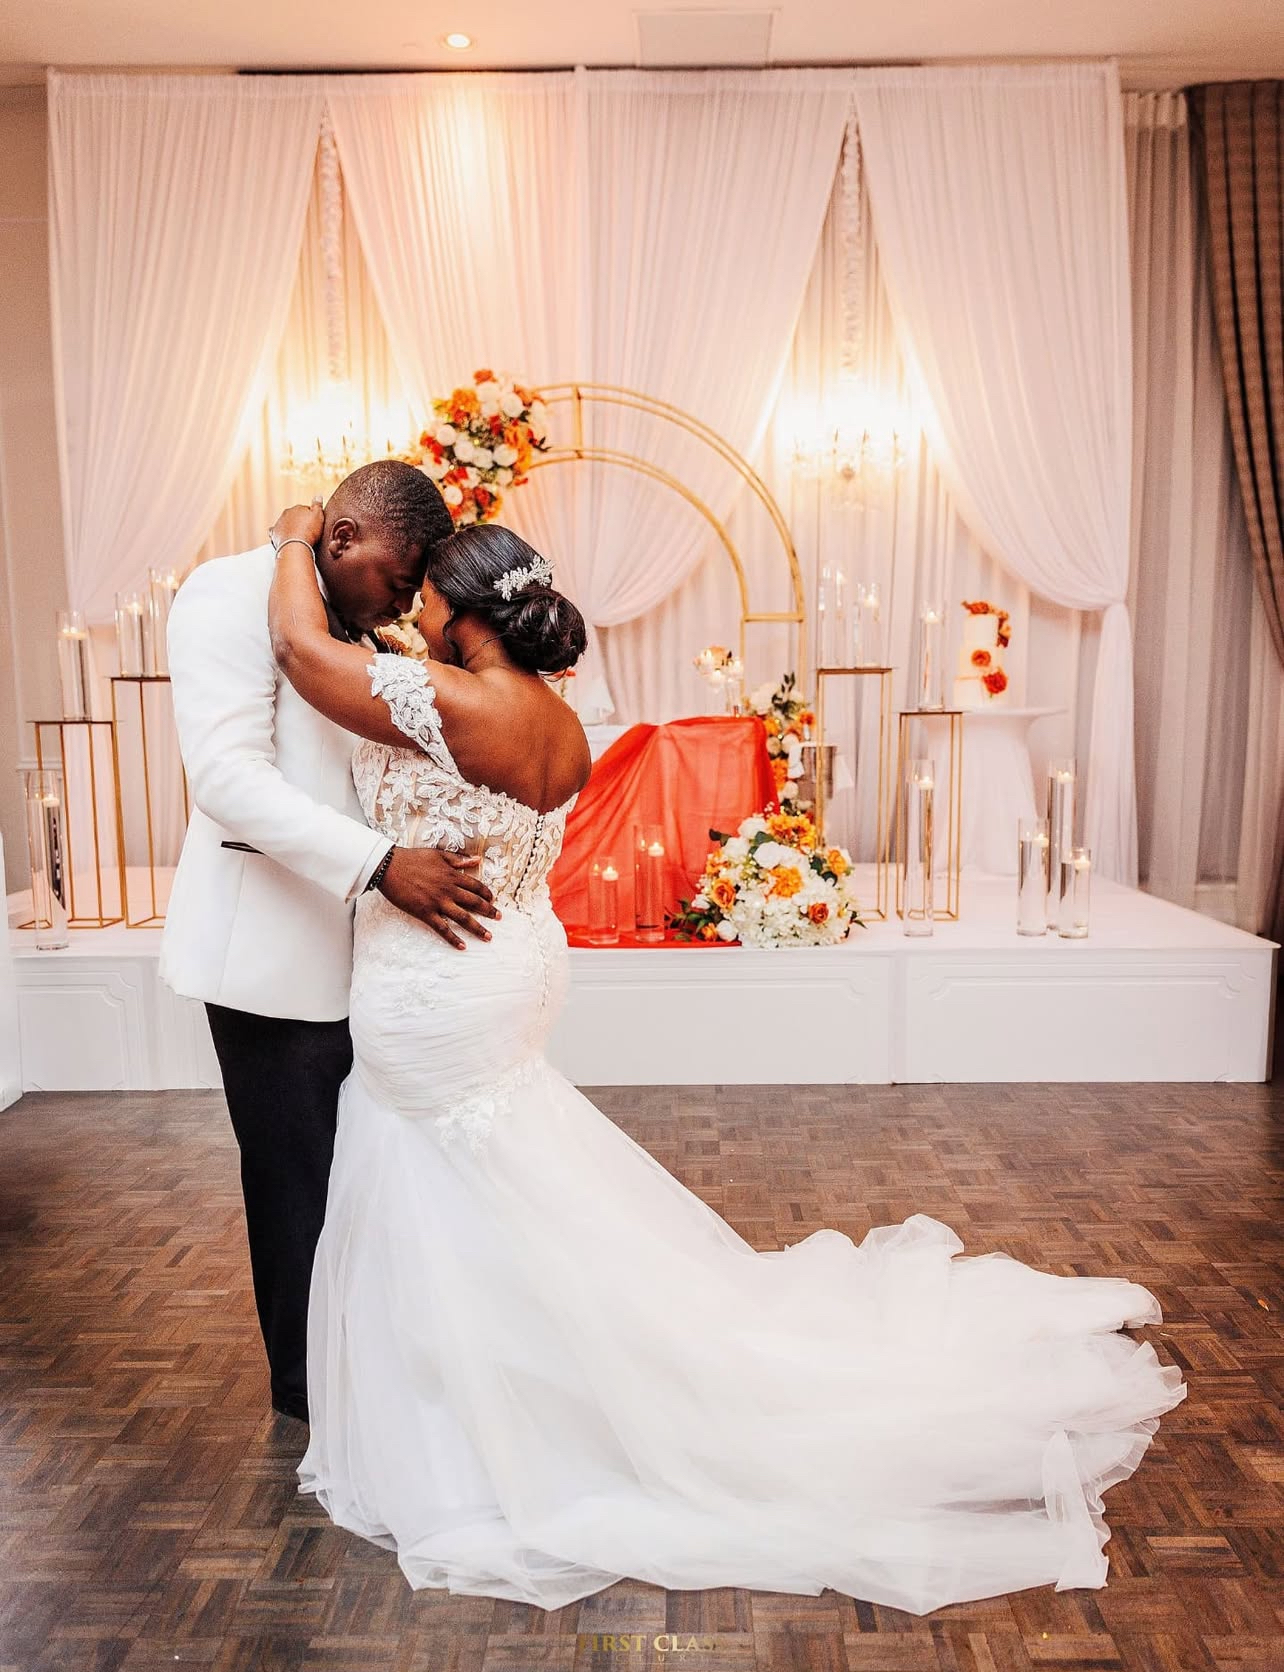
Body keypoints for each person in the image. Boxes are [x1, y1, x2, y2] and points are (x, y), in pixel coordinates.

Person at [266, 499, 1187, 1616]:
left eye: (426, 600)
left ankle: (494, 1412)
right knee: (502, 1186)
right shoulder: (551, 713)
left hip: (445, 982)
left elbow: (300, 650)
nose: (413, 614)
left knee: (443, 1177)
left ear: (462, 615)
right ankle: (505, 1378)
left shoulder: (450, 699)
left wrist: (292, 538)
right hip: (510, 958)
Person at [161, 461, 499, 1426]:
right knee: (295, 1181)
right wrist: (384, 862)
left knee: (369, 1172)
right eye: (397, 580)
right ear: (341, 540)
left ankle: (372, 1358)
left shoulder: (345, 618)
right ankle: (311, 1396)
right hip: (269, 954)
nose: (402, 603)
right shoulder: (226, 595)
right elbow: (226, 777)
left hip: (371, 959)